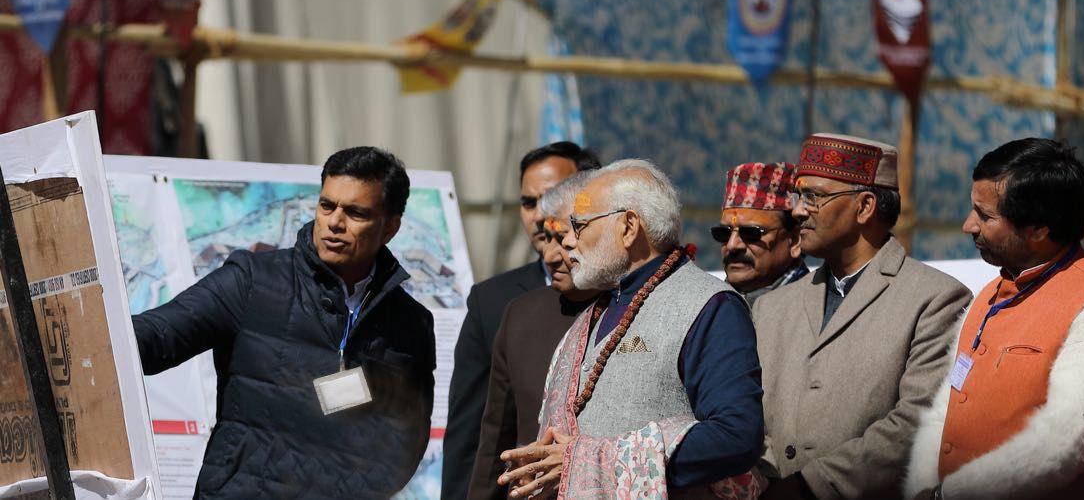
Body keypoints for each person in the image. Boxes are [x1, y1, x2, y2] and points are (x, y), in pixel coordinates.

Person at [134, 146, 434, 499]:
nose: (335, 222)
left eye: (355, 212)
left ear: (390, 227)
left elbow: (406, 441)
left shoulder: (410, 324)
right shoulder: (252, 281)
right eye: (327, 205)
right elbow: (159, 335)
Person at [497, 159, 764, 499]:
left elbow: (737, 436)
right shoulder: (596, 312)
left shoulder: (710, 307)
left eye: (580, 226)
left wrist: (589, 460)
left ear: (628, 227)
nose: (567, 242)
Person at [906, 138, 1084, 500]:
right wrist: (922, 487)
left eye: (985, 216)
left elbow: (1063, 443)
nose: (968, 226)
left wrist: (951, 493)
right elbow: (946, 407)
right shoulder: (990, 293)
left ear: (1039, 229)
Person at [755, 133, 971, 500]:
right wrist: (763, 476)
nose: (797, 210)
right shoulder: (773, 307)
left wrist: (812, 486)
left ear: (865, 206)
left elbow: (915, 423)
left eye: (814, 197)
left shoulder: (934, 300)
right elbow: (748, 412)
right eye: (798, 195)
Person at [443, 142, 599, 500]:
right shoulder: (495, 303)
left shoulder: (628, 296)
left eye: (551, 197)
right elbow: (474, 433)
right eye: (528, 203)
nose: (539, 214)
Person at [714, 162, 808, 306]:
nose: (732, 245)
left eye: (751, 233)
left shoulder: (815, 308)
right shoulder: (709, 308)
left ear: (795, 241)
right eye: (723, 234)